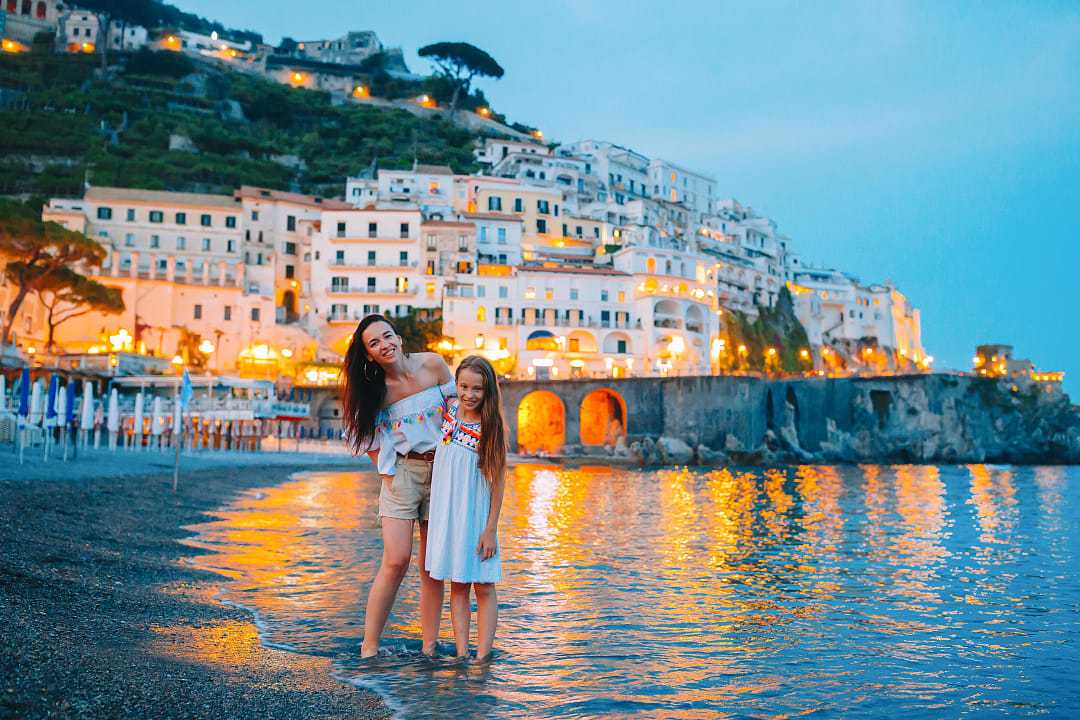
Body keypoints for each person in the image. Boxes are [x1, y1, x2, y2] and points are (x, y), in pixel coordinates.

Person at [340, 314, 455, 658]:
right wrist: (387, 472)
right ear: (369, 355)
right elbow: (361, 439)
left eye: (387, 337)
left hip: (443, 471)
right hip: (402, 474)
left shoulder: (433, 365)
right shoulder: (375, 391)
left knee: (431, 565)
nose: (383, 345)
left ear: (400, 338)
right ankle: (369, 647)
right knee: (396, 559)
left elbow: (456, 412)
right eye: (374, 344)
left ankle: (429, 646)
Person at [425, 355, 507, 661]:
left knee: (483, 587)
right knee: (457, 586)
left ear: (488, 392)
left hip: (476, 516)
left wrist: (490, 529)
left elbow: (498, 482)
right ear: (455, 385)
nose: (469, 394)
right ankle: (461, 656)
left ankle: (482, 658)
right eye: (463, 386)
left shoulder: (490, 426)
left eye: (477, 389)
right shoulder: (447, 411)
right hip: (450, 514)